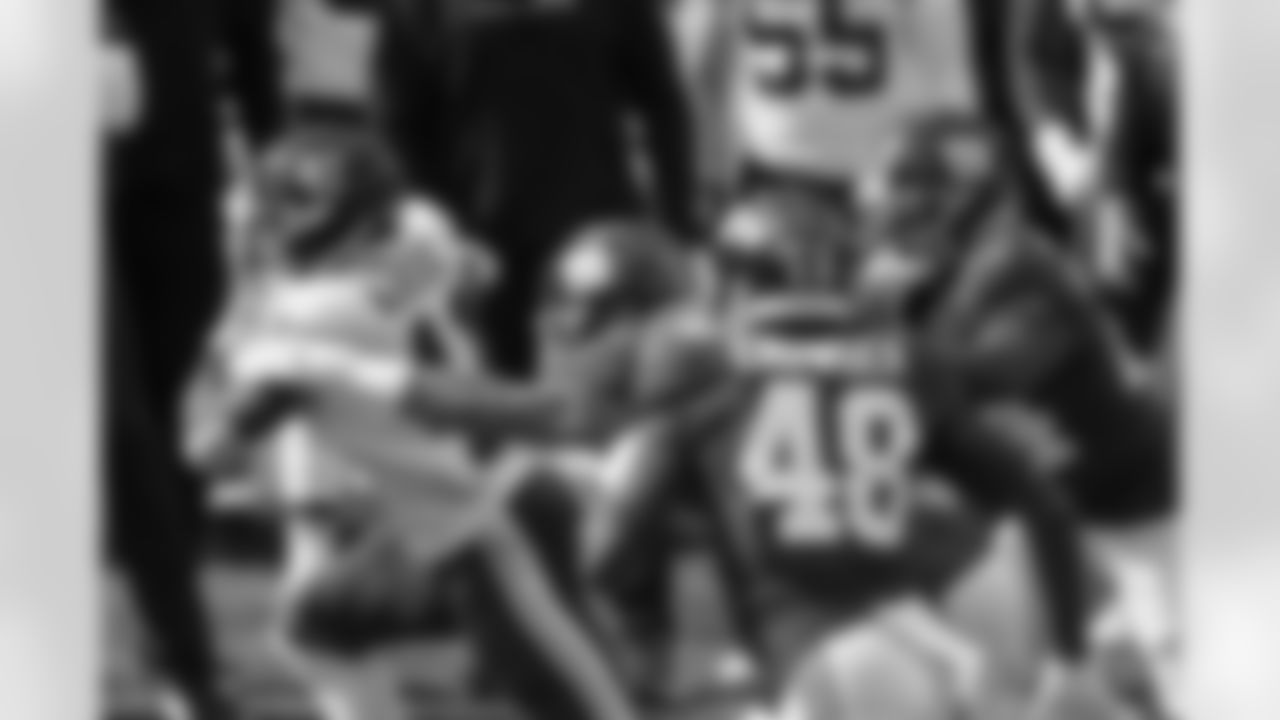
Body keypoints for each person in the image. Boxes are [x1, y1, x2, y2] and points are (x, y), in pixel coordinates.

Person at [187, 123, 635, 720]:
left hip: (480, 518)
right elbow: (482, 269)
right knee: (316, 628)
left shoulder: (303, 322)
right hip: (504, 487)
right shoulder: (421, 234)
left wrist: (241, 313)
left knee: (572, 700)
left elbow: (211, 451)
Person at [367, 0, 698, 377]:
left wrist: (678, 222)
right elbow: (399, 122)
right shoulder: (422, 10)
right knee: (499, 387)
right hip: (484, 243)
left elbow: (662, 103)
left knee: (609, 385)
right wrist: (435, 217)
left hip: (599, 235)